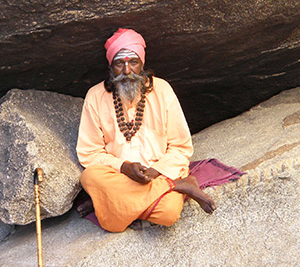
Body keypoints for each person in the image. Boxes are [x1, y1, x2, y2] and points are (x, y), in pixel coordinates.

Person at [76, 28, 216, 232]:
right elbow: (89, 153)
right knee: (89, 177)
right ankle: (180, 186)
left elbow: (181, 147)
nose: (126, 71)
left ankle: (112, 202)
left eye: (133, 62)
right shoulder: (95, 96)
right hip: (119, 175)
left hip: (160, 172)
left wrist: (156, 171)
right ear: (110, 66)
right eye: (119, 63)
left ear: (142, 64)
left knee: (167, 214)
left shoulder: (162, 90)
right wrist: (123, 166)